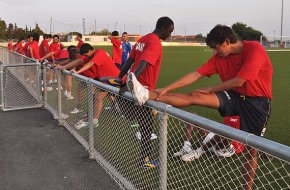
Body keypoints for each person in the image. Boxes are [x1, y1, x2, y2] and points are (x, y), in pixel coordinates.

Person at [126, 24, 272, 189]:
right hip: (235, 96)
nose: (214, 53)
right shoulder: (219, 58)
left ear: (226, 42)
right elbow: (196, 74)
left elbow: (240, 80)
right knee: (195, 96)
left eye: (216, 48)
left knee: (251, 151)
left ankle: (248, 186)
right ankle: (145, 94)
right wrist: (167, 88)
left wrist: (210, 88)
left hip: (257, 103)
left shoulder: (254, 49)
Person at [118, 16, 174, 168]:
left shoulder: (144, 39)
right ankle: (145, 160)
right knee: (147, 126)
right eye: (169, 31)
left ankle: (145, 159)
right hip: (143, 89)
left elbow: (130, 61)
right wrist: (132, 83)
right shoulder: (155, 42)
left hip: (135, 85)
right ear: (163, 28)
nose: (169, 35)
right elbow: (142, 64)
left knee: (146, 124)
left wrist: (119, 79)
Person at [72, 43, 120, 128]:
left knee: (98, 97)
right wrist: (64, 67)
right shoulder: (90, 55)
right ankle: (91, 116)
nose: (85, 56)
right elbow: (79, 61)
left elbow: (91, 63)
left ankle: (94, 121)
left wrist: (77, 72)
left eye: (86, 54)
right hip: (104, 79)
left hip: (113, 78)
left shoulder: (99, 52)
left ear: (90, 51)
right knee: (96, 97)